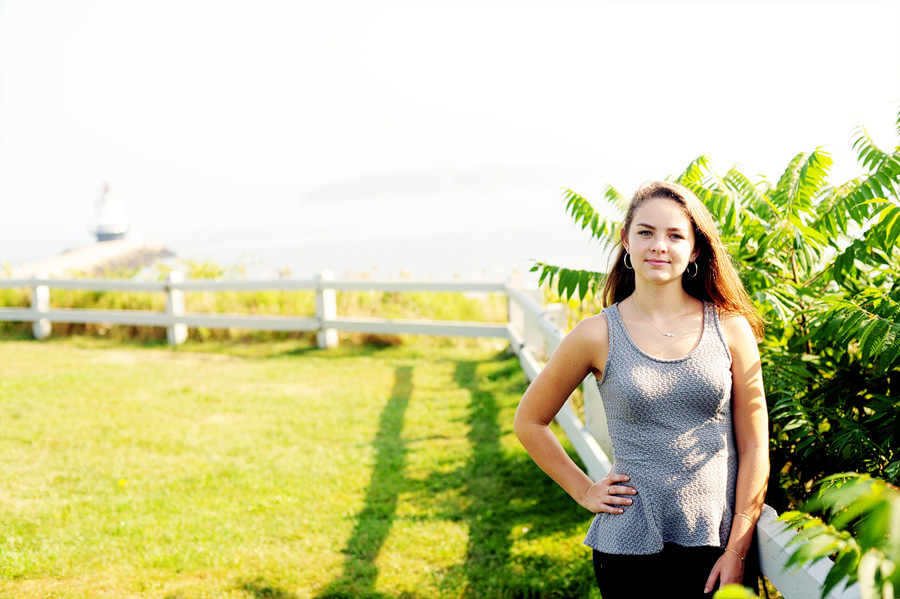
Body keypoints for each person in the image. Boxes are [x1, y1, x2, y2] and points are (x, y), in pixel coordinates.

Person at [514, 181, 769, 598]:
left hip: (716, 544)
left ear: (696, 250)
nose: (659, 247)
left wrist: (738, 549)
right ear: (626, 240)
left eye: (675, 236)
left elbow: (756, 445)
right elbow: (529, 420)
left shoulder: (731, 328)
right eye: (646, 232)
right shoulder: (596, 334)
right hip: (629, 548)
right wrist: (584, 490)